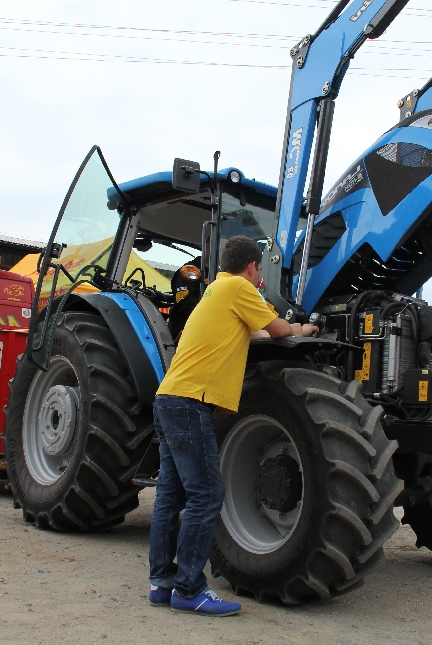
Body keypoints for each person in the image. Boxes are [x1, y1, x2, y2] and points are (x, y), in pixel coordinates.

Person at [147, 236, 318, 616]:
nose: (260, 278)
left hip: (169, 399)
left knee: (171, 497)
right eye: (260, 271)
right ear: (254, 266)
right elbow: (277, 331)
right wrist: (305, 329)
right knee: (206, 495)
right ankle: (189, 589)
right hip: (190, 403)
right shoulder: (240, 288)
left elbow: (253, 333)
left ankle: (162, 582)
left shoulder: (215, 292)